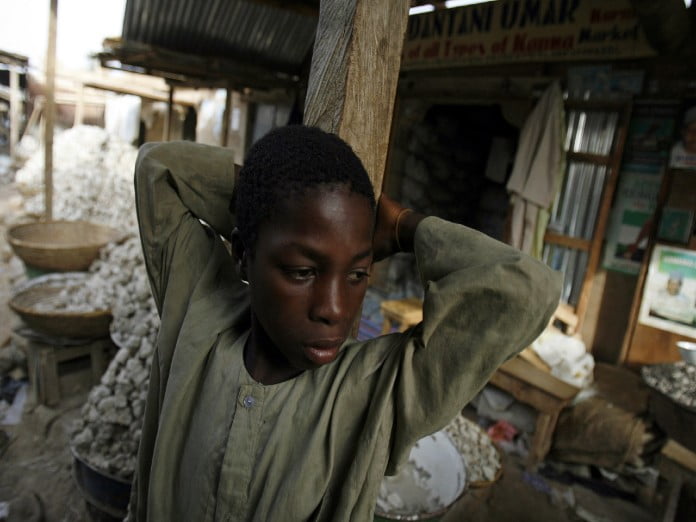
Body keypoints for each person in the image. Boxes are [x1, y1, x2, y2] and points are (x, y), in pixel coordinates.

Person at [129, 125, 561, 521]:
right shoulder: (198, 312)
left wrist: (406, 227)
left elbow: (526, 289)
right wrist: (267, 197)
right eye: (302, 272)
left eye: (357, 274)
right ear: (243, 254)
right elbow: (158, 168)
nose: (335, 309)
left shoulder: (374, 392)